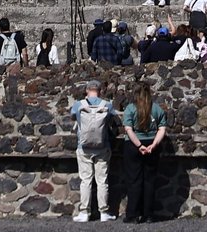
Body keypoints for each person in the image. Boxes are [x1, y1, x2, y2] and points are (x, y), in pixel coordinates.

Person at [119, 84, 168, 223]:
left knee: (134, 180)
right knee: (150, 180)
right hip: (152, 144)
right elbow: (162, 128)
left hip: (133, 146)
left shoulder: (130, 109)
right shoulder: (157, 109)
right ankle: (149, 214)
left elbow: (128, 129)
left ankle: (133, 214)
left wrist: (139, 146)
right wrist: (153, 145)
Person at [70, 79, 117, 222]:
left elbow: (73, 117)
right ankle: (104, 212)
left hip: (83, 147)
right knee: (102, 181)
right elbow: (112, 121)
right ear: (100, 90)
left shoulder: (79, 105)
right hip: (102, 147)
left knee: (86, 180)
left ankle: (84, 212)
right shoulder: (106, 105)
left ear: (86, 90)